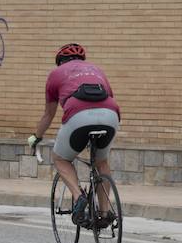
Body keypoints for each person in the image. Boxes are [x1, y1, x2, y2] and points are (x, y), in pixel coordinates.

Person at [28, 43, 121, 226]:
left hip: (78, 115)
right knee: (101, 162)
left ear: (60, 61)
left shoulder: (56, 74)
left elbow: (49, 114)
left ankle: (79, 198)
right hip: (110, 115)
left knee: (60, 158)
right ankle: (104, 212)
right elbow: (109, 97)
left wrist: (36, 137)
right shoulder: (97, 70)